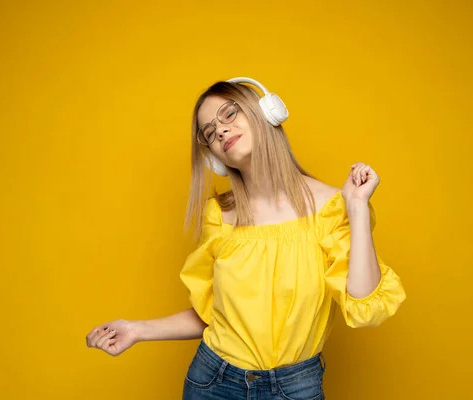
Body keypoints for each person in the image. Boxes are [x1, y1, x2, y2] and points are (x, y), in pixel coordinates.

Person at [86, 77, 407, 399]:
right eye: (209, 132)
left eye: (229, 114)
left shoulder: (332, 208)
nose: (221, 130)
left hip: (296, 387)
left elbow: (366, 306)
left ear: (267, 112)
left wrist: (357, 208)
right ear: (213, 156)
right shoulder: (220, 217)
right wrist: (137, 329)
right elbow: (216, 314)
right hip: (213, 382)